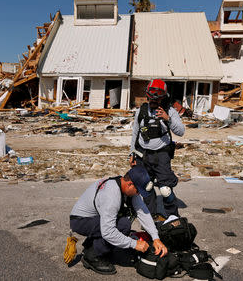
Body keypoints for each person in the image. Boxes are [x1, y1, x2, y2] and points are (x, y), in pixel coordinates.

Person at [69, 165, 168, 275]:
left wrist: (156, 238)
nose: (139, 194)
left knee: (126, 217)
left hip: (94, 219)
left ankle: (92, 244)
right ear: (130, 184)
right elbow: (108, 232)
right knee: (123, 225)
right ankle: (92, 255)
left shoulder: (124, 183)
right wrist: (134, 244)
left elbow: (142, 211)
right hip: (80, 221)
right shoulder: (112, 195)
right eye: (138, 191)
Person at [130, 79, 185, 218]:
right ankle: (151, 215)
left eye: (157, 100)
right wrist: (132, 153)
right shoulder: (141, 111)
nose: (153, 102)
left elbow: (181, 131)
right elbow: (135, 133)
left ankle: (173, 217)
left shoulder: (170, 111)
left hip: (161, 155)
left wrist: (168, 119)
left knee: (165, 190)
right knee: (146, 186)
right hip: (144, 155)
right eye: (151, 99)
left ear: (162, 98)